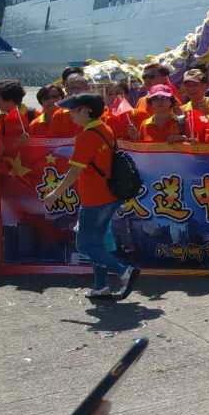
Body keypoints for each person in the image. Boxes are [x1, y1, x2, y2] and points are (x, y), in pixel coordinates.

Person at [40, 93, 139, 300]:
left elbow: (75, 171)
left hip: (94, 199)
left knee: (85, 245)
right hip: (109, 195)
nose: (70, 114)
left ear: (86, 110)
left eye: (74, 110)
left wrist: (55, 193)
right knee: (97, 243)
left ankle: (124, 271)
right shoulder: (105, 128)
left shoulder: (86, 136)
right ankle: (100, 287)